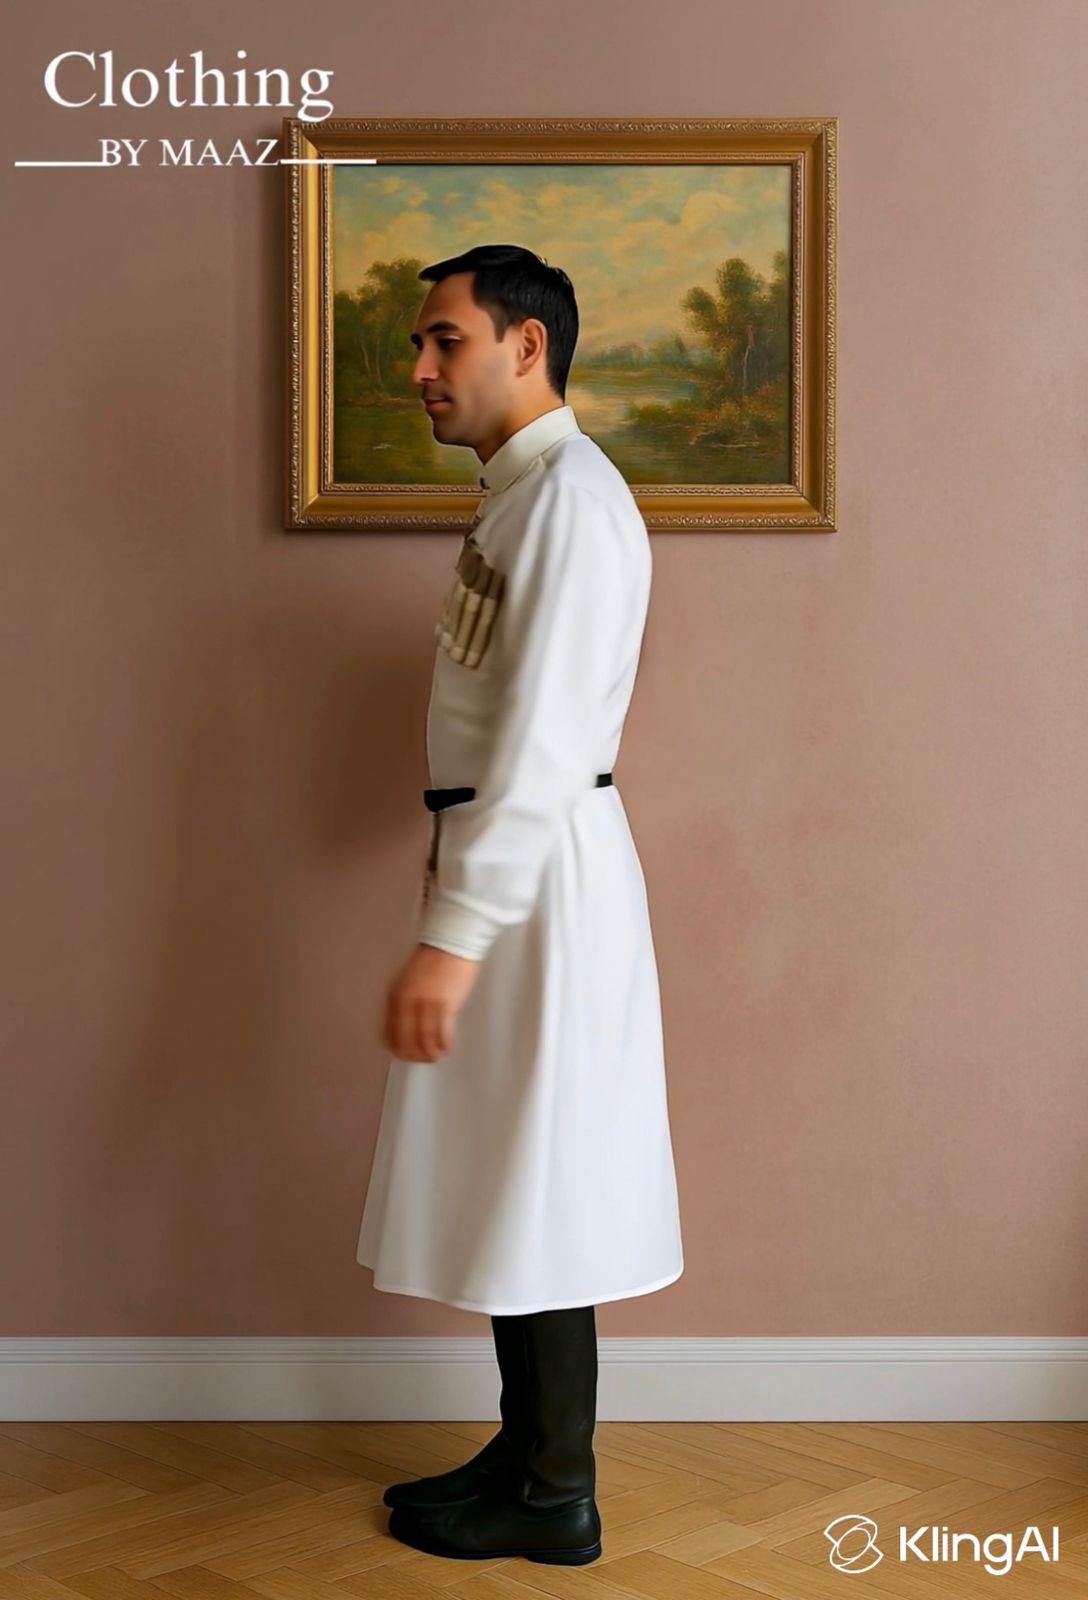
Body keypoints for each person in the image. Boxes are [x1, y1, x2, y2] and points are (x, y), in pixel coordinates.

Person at [355, 243, 684, 1565]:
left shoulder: (571, 503)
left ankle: (558, 1494)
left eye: (445, 340)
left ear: (525, 346)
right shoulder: (527, 494)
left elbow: (544, 745)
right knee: (514, 1168)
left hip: (541, 871)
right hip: (513, 863)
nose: (421, 369)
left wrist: (454, 936)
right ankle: (528, 1452)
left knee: (539, 1174)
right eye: (421, 345)